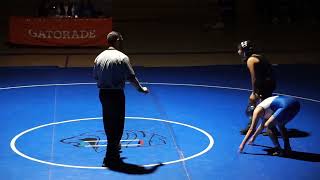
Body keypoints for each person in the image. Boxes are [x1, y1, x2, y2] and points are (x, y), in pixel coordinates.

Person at [93, 31, 149, 167]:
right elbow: (130, 77)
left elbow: (95, 77)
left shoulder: (99, 57)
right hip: (116, 93)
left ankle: (112, 144)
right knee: (118, 121)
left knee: (107, 119)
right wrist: (140, 89)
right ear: (117, 41)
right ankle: (113, 149)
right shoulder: (122, 57)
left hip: (103, 93)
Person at [237, 40, 276, 135]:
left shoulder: (251, 60)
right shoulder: (259, 56)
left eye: (239, 50)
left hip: (264, 85)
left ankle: (270, 128)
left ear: (244, 51)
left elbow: (254, 78)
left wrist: (254, 92)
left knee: (260, 106)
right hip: (269, 83)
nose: (238, 52)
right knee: (256, 104)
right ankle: (258, 126)